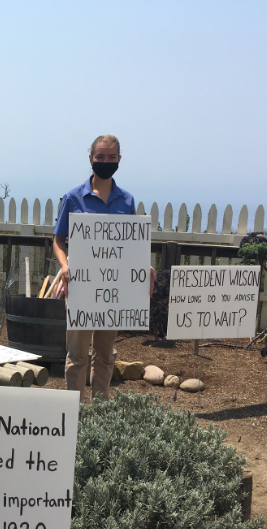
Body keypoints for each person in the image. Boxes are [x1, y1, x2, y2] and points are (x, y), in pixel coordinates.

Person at [52, 134, 155, 401]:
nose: (105, 161)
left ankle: (100, 413)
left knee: (105, 354)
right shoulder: (73, 197)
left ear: (119, 160)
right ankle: (73, 412)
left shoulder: (127, 200)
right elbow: (58, 241)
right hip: (81, 286)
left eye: (111, 157)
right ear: (91, 159)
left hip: (114, 289)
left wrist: (146, 267)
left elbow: (130, 245)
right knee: (76, 355)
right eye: (100, 157)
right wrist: (64, 267)